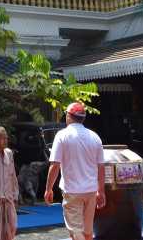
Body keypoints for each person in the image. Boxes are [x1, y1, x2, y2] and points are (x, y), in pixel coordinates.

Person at [44, 102, 105, 240]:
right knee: (88, 232)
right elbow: (101, 167)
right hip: (90, 191)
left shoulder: (62, 135)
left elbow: (55, 165)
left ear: (68, 116)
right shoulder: (95, 137)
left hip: (72, 191)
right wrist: (101, 191)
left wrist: (48, 189)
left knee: (76, 232)